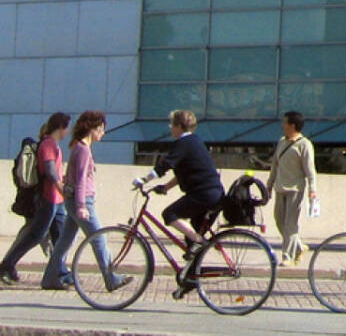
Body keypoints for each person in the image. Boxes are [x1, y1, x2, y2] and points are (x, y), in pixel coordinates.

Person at [43, 111, 129, 292]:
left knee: (64, 241)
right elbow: (81, 180)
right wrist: (82, 206)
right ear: (92, 129)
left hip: (74, 200)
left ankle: (50, 278)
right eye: (101, 129)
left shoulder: (79, 147)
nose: (102, 133)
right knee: (98, 238)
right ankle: (110, 278)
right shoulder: (82, 149)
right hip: (81, 201)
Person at [135, 109, 224, 255]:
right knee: (190, 240)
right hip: (214, 194)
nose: (170, 127)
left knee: (169, 214)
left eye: (172, 124)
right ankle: (192, 275)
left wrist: (144, 180)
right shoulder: (195, 141)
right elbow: (185, 172)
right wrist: (166, 187)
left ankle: (200, 242)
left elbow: (165, 165)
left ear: (179, 126)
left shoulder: (183, 143)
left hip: (203, 195)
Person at [0, 112, 69, 285]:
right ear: (60, 127)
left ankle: (61, 272)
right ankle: (7, 266)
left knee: (60, 238)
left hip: (58, 200)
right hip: (49, 197)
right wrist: (61, 186)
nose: (67, 132)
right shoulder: (48, 144)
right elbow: (50, 171)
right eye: (66, 128)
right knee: (36, 235)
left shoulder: (53, 145)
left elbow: (56, 172)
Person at [266, 110, 318, 265]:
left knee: (290, 224)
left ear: (292, 125)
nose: (283, 125)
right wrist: (269, 185)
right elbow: (275, 165)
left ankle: (287, 256)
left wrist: (312, 189)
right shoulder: (282, 141)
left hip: (295, 189)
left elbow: (310, 170)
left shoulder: (305, 145)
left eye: (285, 122)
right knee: (279, 220)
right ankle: (299, 247)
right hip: (280, 187)